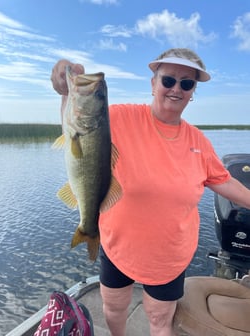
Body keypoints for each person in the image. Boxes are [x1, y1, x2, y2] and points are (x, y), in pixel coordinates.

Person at [51, 48, 250, 336]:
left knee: (159, 320)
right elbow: (76, 126)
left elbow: (225, 182)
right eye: (169, 80)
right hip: (117, 246)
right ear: (153, 83)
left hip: (169, 257)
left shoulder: (199, 141)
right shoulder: (117, 118)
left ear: (193, 91)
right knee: (115, 308)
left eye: (186, 83)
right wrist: (64, 84)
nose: (176, 89)